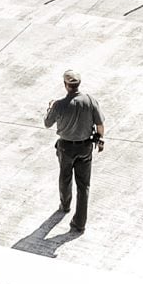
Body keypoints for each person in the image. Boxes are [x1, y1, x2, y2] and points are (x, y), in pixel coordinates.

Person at [43, 71, 104, 233]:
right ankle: (79, 223)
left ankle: (65, 205)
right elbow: (100, 125)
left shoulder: (59, 105)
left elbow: (47, 123)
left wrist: (50, 107)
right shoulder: (90, 101)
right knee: (83, 186)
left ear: (65, 85)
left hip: (66, 148)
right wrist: (100, 140)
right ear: (78, 84)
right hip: (85, 147)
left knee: (65, 177)